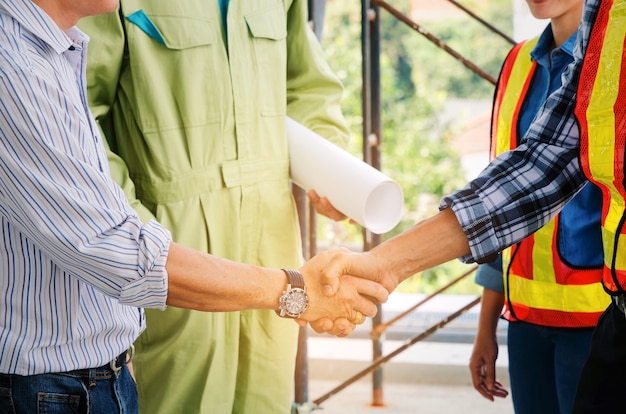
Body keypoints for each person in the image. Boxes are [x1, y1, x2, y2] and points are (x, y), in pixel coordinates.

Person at [0, 1, 388, 413]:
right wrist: (133, 227)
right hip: (172, 242)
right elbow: (81, 115)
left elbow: (308, 86)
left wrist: (331, 170)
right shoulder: (55, 36)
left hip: (268, 235)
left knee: (265, 400)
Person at [314, 1, 626, 412]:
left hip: (589, 313)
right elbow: (537, 169)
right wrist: (385, 264)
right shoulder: (603, 31)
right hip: (590, 321)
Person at [468, 1, 610, 413]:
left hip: (601, 324)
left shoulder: (614, 66)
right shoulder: (516, 65)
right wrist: (486, 325)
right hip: (527, 323)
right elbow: (500, 200)